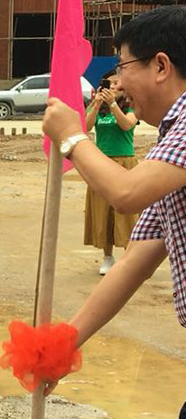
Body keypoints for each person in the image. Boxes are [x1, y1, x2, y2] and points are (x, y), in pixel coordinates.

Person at [42, 6, 186, 419]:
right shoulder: (168, 144)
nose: (117, 82)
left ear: (160, 65)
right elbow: (135, 260)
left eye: (122, 67)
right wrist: (66, 345)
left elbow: (126, 193)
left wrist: (72, 137)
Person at [84, 70, 139, 275]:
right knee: (103, 210)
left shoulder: (131, 106)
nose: (113, 87)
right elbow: (85, 127)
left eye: (116, 84)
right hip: (102, 162)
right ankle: (107, 257)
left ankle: (130, 257)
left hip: (124, 163)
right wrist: (97, 105)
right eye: (110, 84)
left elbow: (127, 125)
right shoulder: (99, 107)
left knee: (126, 212)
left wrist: (113, 105)